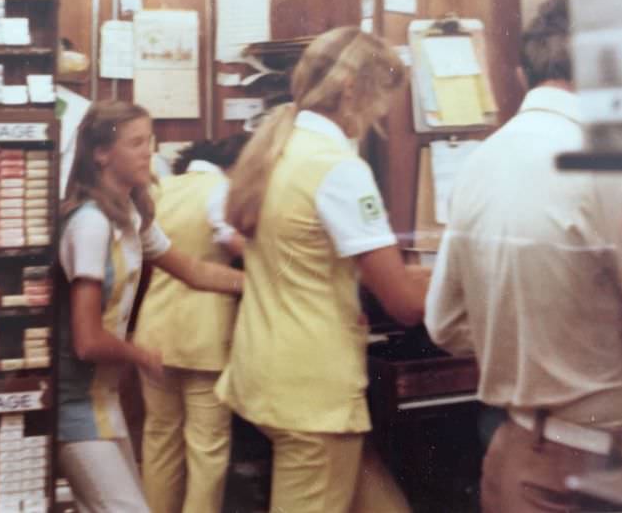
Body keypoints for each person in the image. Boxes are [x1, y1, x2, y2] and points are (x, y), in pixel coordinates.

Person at [425, 0, 622, 513]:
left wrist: (541, 347)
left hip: (522, 454)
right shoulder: (607, 166)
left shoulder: (480, 163)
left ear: (520, 72)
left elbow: (444, 323)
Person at [215, 26, 430, 513]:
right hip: (314, 392)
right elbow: (404, 303)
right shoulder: (339, 169)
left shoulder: (277, 152)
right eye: (382, 100)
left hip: (267, 371)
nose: (381, 115)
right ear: (353, 88)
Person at [55, 101, 243, 513]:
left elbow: (193, 269)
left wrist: (260, 285)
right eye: (136, 142)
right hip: (75, 404)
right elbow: (87, 341)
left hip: (102, 400)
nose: (148, 151)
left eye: (150, 141)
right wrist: (137, 353)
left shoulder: (131, 217)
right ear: (102, 153)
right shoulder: (91, 224)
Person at [134, 134, 249, 513]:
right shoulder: (221, 190)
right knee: (208, 448)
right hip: (207, 334)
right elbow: (234, 245)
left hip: (155, 330)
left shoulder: (161, 189)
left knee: (159, 440)